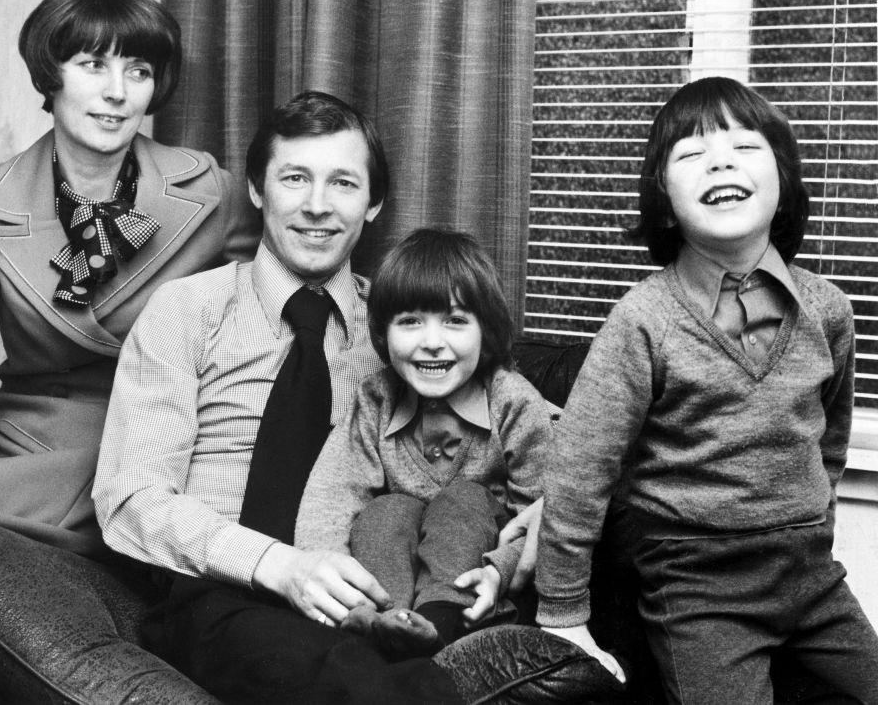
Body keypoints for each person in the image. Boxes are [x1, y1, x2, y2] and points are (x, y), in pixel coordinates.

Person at [93, 91, 621, 704]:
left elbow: (527, 421)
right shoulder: (187, 310)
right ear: (259, 191)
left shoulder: (409, 336)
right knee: (352, 683)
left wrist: (551, 503)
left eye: (343, 183)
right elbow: (130, 498)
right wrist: (279, 565)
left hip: (367, 591)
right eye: (295, 179)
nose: (317, 206)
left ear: (372, 205)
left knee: (375, 673)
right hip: (225, 588)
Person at [0, 0, 257, 611]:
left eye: (139, 70)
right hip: (27, 437)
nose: (118, 93)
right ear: (51, 75)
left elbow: (263, 336)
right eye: (93, 64)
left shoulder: (215, 192)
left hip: (151, 445)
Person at [532, 76, 878, 702]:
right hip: (699, 586)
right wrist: (563, 612)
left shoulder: (829, 310)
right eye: (690, 154)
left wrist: (808, 521)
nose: (720, 159)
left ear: (784, 181)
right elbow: (579, 471)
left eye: (746, 147)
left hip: (812, 577)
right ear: (664, 199)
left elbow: (828, 437)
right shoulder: (643, 319)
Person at [294, 228, 549, 657]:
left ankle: (439, 620)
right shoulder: (378, 397)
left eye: (454, 321)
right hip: (394, 579)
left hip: (476, 587)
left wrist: (500, 572)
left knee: (464, 499)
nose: (432, 343)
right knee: (385, 509)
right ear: (382, 333)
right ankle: (383, 621)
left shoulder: (514, 402)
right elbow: (333, 494)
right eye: (411, 321)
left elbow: (547, 513)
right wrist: (326, 573)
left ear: (485, 330)